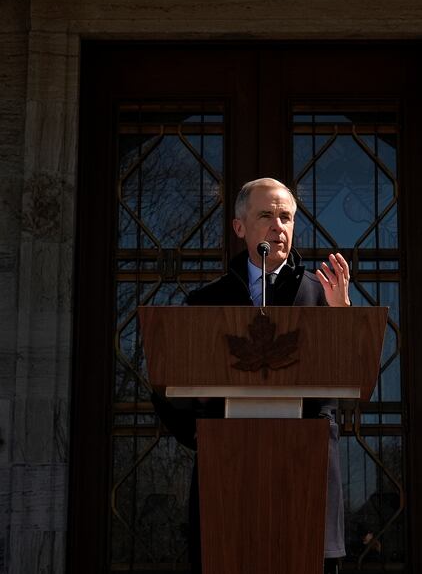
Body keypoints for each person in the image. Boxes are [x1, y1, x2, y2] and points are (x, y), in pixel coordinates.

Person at [153, 177, 353, 573]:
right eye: (266, 215)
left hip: (306, 476)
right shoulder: (205, 303)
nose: (278, 226)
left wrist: (343, 316)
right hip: (228, 480)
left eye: (286, 217)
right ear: (240, 227)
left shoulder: (323, 296)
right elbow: (165, 386)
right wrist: (201, 433)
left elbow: (355, 382)